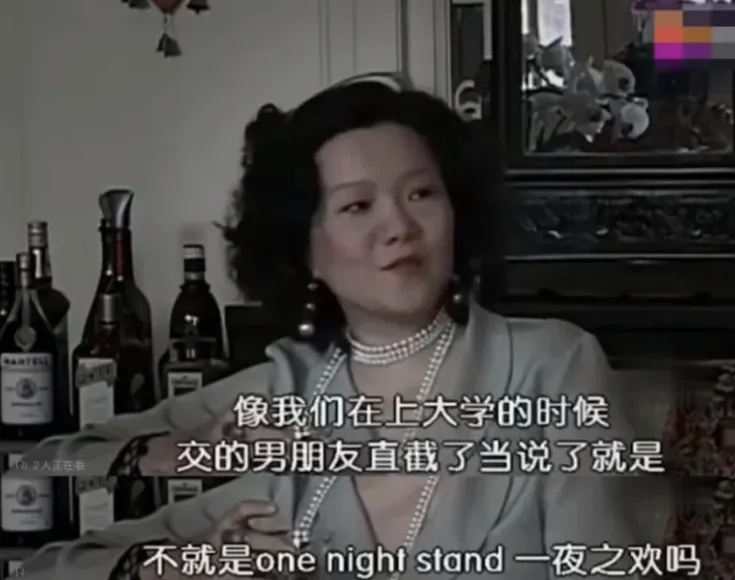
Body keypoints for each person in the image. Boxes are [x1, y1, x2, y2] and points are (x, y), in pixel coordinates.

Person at [14, 73, 665, 580]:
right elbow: (42, 494)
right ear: (305, 250)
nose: (399, 226)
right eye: (357, 206)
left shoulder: (553, 366)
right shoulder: (282, 393)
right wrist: (184, 535)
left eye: (421, 194)